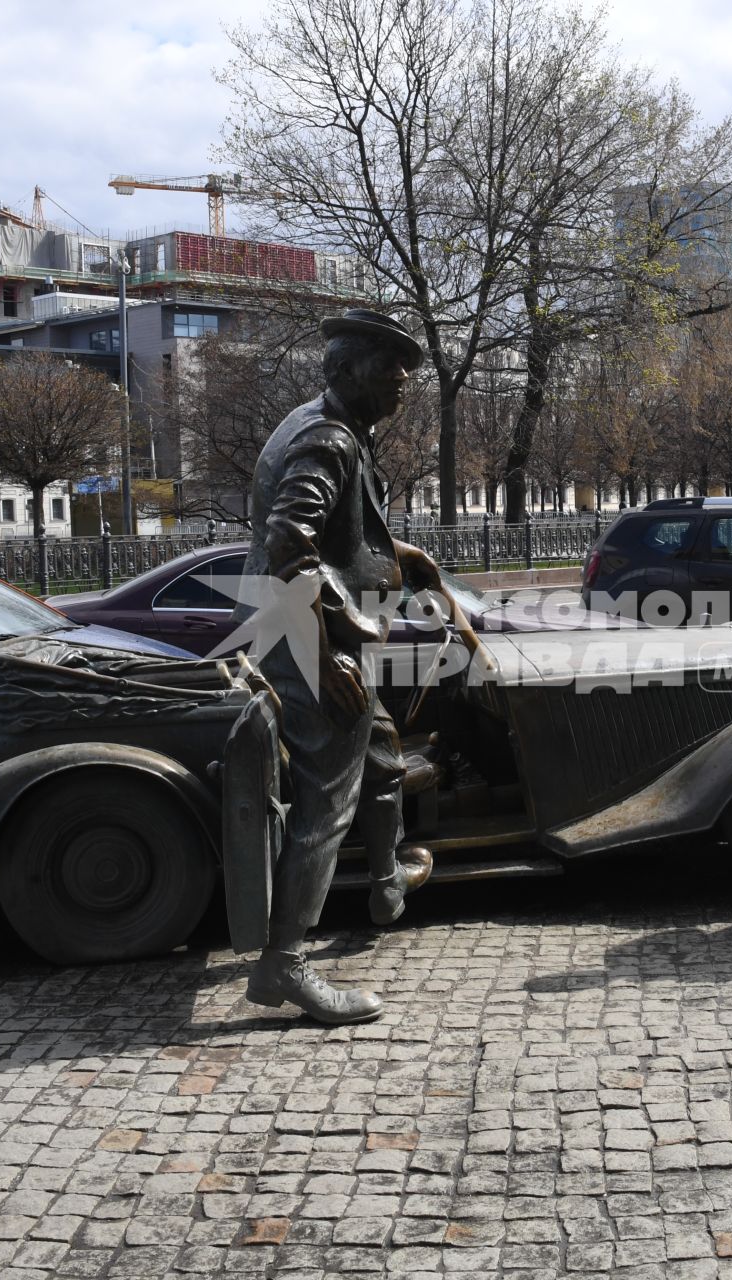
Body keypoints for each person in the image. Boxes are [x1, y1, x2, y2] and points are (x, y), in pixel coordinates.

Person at [233, 308, 439, 1024]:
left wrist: (398, 555)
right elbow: (290, 537)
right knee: (328, 803)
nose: (404, 383)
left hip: (309, 629)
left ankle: (386, 883)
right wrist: (324, 658)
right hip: (307, 638)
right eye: (391, 370)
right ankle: (283, 967)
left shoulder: (326, 425)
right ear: (347, 371)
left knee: (379, 751)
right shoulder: (329, 438)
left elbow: (329, 534)